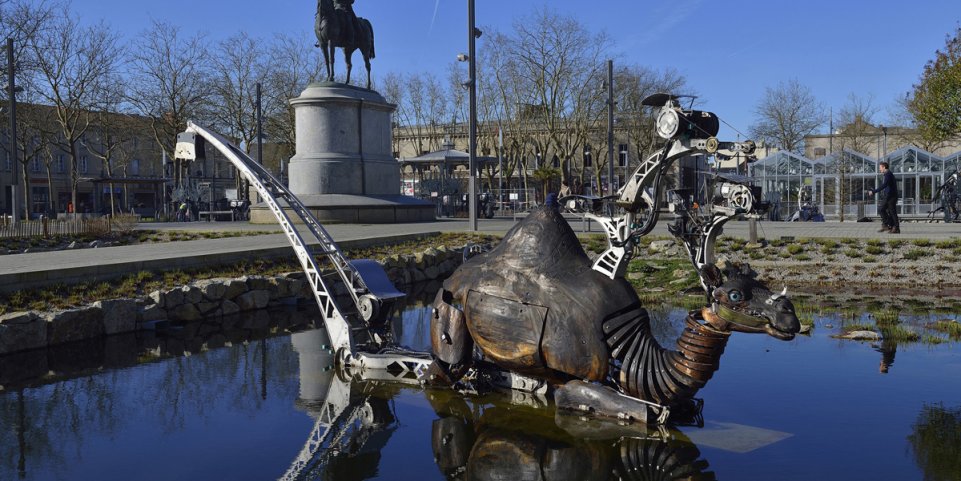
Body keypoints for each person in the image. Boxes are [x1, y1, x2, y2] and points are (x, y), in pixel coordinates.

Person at [868, 161, 900, 234]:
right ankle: (889, 225)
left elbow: (884, 185)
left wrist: (874, 191)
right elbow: (886, 186)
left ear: (884, 167)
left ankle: (893, 227)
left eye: (880, 168)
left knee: (886, 210)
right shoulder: (887, 174)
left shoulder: (888, 174)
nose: (879, 170)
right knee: (889, 211)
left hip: (891, 196)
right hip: (889, 195)